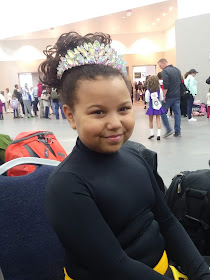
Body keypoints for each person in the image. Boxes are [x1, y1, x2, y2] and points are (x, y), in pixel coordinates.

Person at [40, 32, 210, 280]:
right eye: (98, 112)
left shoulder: (136, 156)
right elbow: (115, 266)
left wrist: (200, 273)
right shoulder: (66, 185)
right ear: (70, 115)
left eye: (123, 109)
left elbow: (168, 221)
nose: (115, 123)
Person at [158, 58, 181, 137]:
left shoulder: (165, 71)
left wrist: (164, 95)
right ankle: (178, 131)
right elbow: (180, 82)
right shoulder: (177, 70)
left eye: (160, 65)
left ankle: (168, 129)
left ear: (164, 63)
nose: (160, 67)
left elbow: (166, 85)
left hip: (169, 96)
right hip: (177, 95)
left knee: (162, 112)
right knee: (177, 113)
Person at [145, 76, 166, 140]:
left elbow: (147, 100)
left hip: (151, 107)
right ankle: (158, 135)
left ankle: (151, 134)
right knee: (158, 120)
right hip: (158, 106)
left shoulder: (148, 91)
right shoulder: (159, 90)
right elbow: (161, 98)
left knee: (150, 120)